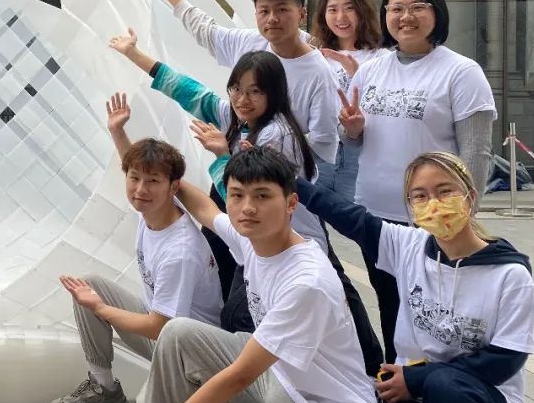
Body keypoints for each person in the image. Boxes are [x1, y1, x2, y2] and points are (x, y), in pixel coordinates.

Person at [104, 109, 377, 403]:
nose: (247, 207)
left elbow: (239, 376)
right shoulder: (251, 238)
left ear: (290, 203)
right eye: (237, 195)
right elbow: (203, 207)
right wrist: (157, 174)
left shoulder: (306, 282)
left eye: (262, 196)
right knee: (178, 332)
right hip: (280, 376)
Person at [109, 33, 384, 373]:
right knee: (253, 307)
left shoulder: (276, 135)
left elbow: (244, 199)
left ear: (274, 93)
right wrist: (135, 54)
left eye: (255, 91)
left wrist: (223, 155)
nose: (243, 99)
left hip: (292, 237)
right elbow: (189, 91)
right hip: (263, 238)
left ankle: (368, 371)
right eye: (237, 89)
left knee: (328, 297)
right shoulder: (239, 118)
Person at [296, 152, 534, 403]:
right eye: (420, 196)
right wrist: (289, 181)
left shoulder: (510, 275)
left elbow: (505, 361)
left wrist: (416, 378)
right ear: (410, 206)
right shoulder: (408, 247)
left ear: (470, 196)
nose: (433, 203)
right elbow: (346, 215)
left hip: (482, 402)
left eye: (445, 191)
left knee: (447, 385)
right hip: (413, 393)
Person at [340, 0, 496, 363]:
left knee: (431, 312)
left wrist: (464, 218)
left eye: (417, 7)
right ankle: (398, 380)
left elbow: (476, 153)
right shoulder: (371, 70)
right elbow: (355, 142)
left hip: (433, 218)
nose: (405, 16)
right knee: (390, 304)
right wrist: (353, 130)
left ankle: (431, 382)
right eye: (396, 8)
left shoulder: (461, 72)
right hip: (377, 215)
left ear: (436, 13)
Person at [48, 94, 222, 403]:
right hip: (169, 336)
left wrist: (100, 309)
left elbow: (159, 328)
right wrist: (117, 131)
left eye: (153, 182)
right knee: (89, 286)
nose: (141, 189)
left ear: (173, 187)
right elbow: (136, 166)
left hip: (191, 352)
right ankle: (104, 391)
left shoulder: (179, 250)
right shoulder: (153, 209)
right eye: (134, 179)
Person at [153, 0, 340, 168]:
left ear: (301, 14)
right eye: (264, 11)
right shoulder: (249, 41)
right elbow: (206, 31)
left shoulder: (320, 74)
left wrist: (274, 156)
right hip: (238, 168)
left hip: (283, 176)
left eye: (282, 9)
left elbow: (322, 143)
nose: (272, 19)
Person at [311, 0, 384, 201]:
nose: (341, 17)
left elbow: (383, 106)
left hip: (360, 157)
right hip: (318, 154)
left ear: (363, 11)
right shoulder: (314, 54)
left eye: (349, 8)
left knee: (359, 218)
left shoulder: (381, 58)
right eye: (333, 10)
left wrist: (356, 74)